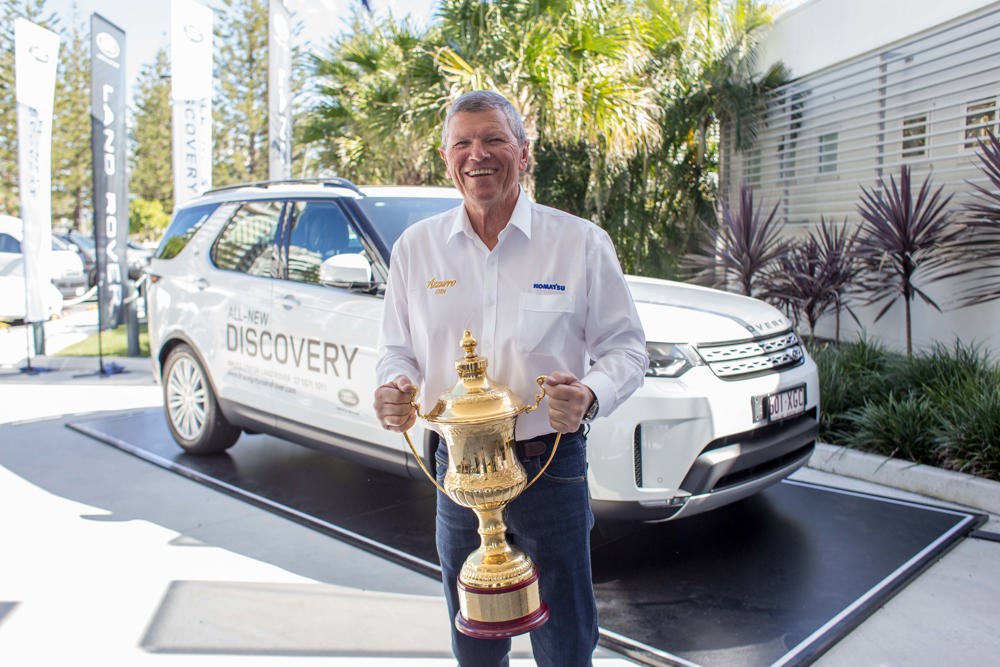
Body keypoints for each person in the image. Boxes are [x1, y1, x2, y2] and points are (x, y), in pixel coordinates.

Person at [374, 90, 648, 667]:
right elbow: (397, 352)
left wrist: (591, 394)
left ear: (523, 153)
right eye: (463, 143)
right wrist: (395, 387)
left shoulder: (578, 243)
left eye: (494, 139)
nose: (479, 154)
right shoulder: (415, 250)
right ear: (447, 157)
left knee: (567, 638)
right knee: (474, 638)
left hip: (550, 465)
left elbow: (625, 348)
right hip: (460, 470)